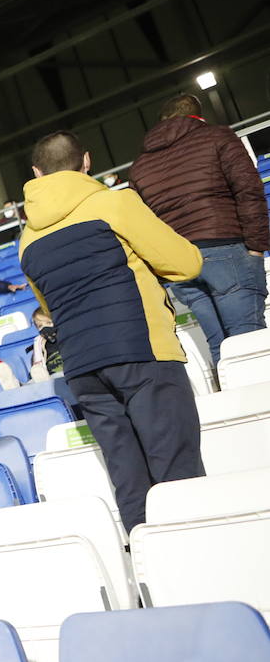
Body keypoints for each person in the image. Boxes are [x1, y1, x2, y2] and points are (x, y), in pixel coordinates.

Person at [20, 130, 205, 531]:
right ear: (86, 162)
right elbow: (186, 264)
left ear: (36, 173)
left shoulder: (26, 240)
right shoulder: (115, 203)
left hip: (84, 368)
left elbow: (49, 308)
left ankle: (153, 576)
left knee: (130, 483)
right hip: (142, 351)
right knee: (178, 474)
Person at [128, 93, 270, 366]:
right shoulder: (219, 137)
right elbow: (248, 190)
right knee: (249, 342)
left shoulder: (139, 166)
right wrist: (256, 245)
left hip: (179, 264)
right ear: (198, 116)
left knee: (219, 347)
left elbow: (143, 222)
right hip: (225, 248)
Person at [29, 308, 63, 380]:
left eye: (48, 323)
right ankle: (13, 385)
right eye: (40, 326)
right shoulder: (39, 347)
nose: (44, 328)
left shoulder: (66, 337)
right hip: (49, 379)